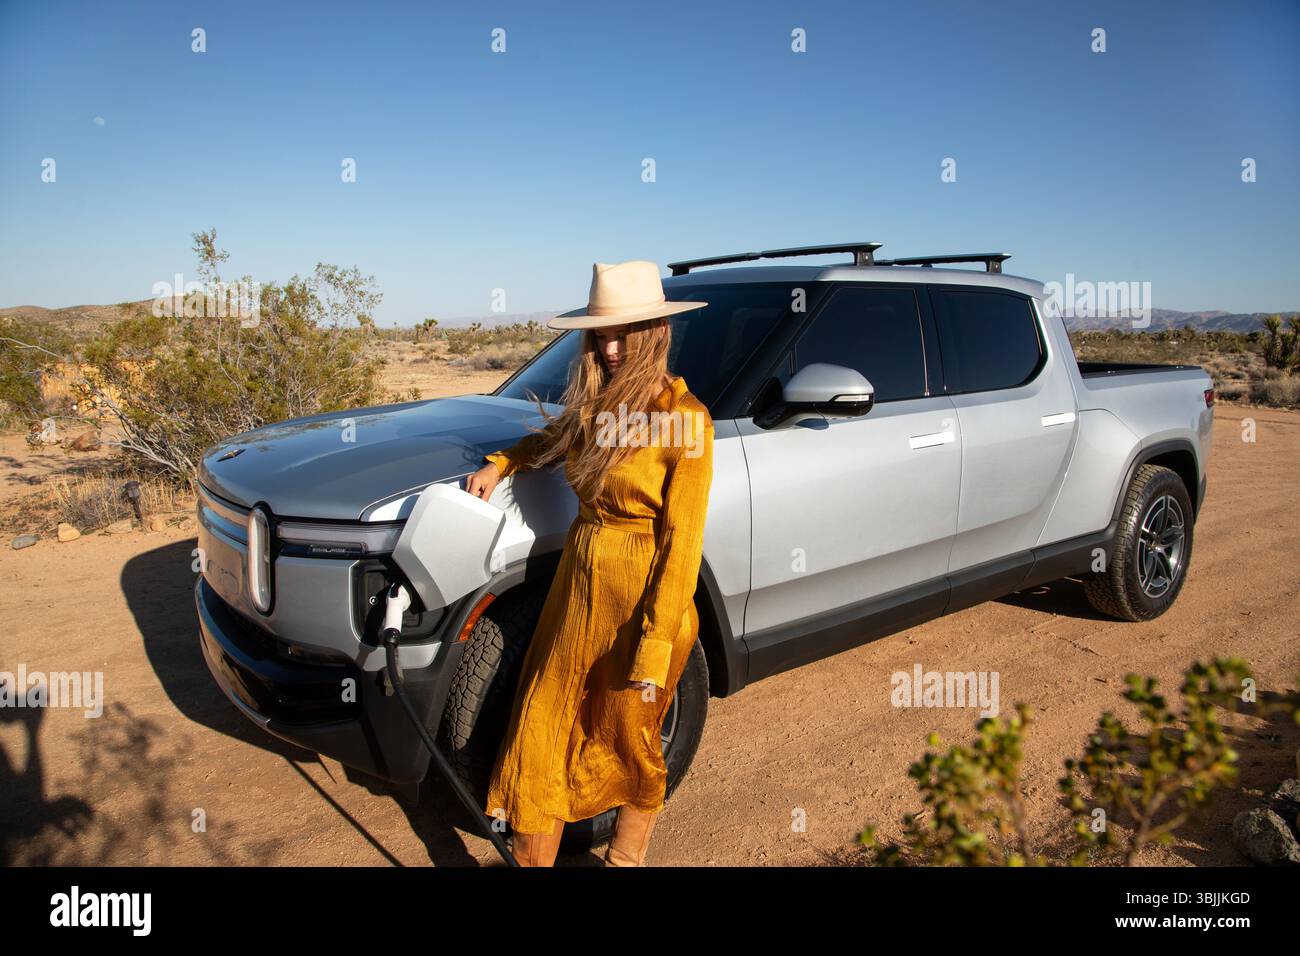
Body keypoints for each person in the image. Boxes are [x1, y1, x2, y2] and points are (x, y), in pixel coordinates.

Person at [466, 259, 714, 867]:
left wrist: (654, 650)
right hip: (578, 591)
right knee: (540, 735)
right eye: (599, 334)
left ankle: (625, 860)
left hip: (645, 605)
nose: (608, 347)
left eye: (621, 333)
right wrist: (503, 461)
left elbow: (682, 546)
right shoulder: (596, 412)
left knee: (627, 739)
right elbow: (550, 443)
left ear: (655, 332)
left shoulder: (687, 422)